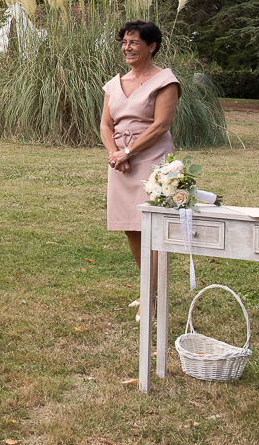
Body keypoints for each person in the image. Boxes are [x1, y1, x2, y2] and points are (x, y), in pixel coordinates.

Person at [99, 20, 181, 320]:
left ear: (152, 46)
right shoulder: (114, 83)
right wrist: (114, 154)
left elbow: (161, 125)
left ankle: (151, 297)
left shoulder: (166, 81)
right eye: (124, 42)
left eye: (133, 42)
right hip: (120, 164)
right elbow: (106, 124)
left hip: (150, 160)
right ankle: (150, 290)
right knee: (131, 227)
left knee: (152, 228)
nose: (127, 47)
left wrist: (128, 152)